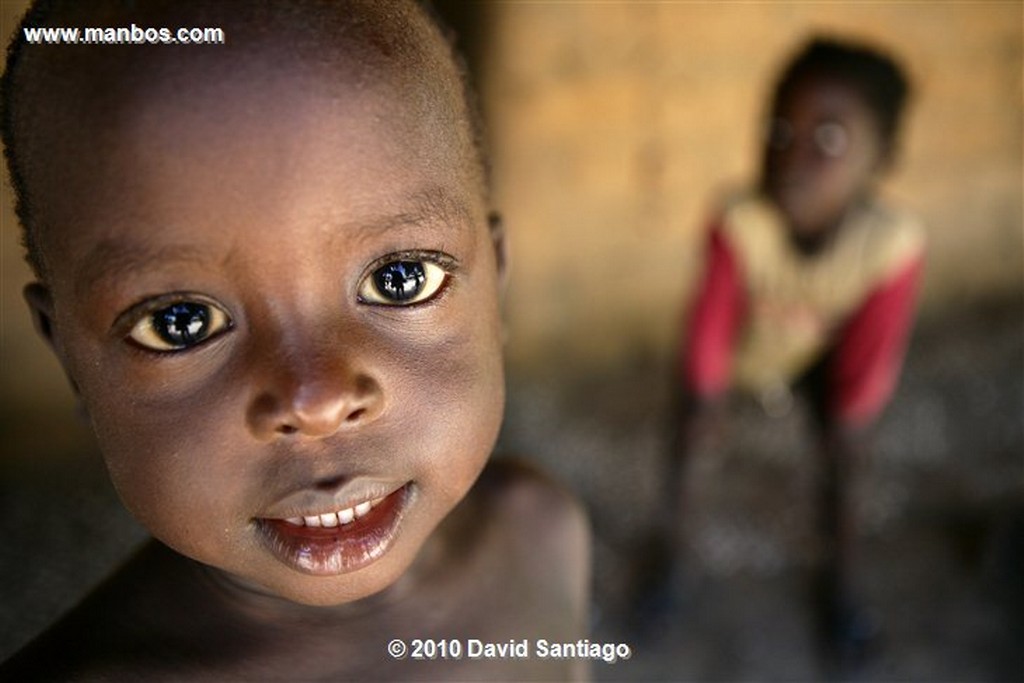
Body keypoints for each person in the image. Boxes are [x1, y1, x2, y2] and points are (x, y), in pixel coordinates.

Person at [0, 1, 589, 679]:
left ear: (497, 281)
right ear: (70, 360)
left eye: (401, 279)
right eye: (180, 322)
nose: (317, 400)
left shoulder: (542, 534)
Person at [667, 37, 924, 664]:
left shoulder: (891, 245)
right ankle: (674, 562)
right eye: (779, 129)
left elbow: (870, 357)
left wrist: (848, 419)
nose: (793, 156)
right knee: (690, 437)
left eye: (829, 139)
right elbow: (710, 330)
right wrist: (708, 398)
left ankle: (841, 583)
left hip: (817, 364)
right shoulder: (740, 222)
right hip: (746, 353)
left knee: (847, 458)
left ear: (882, 156)